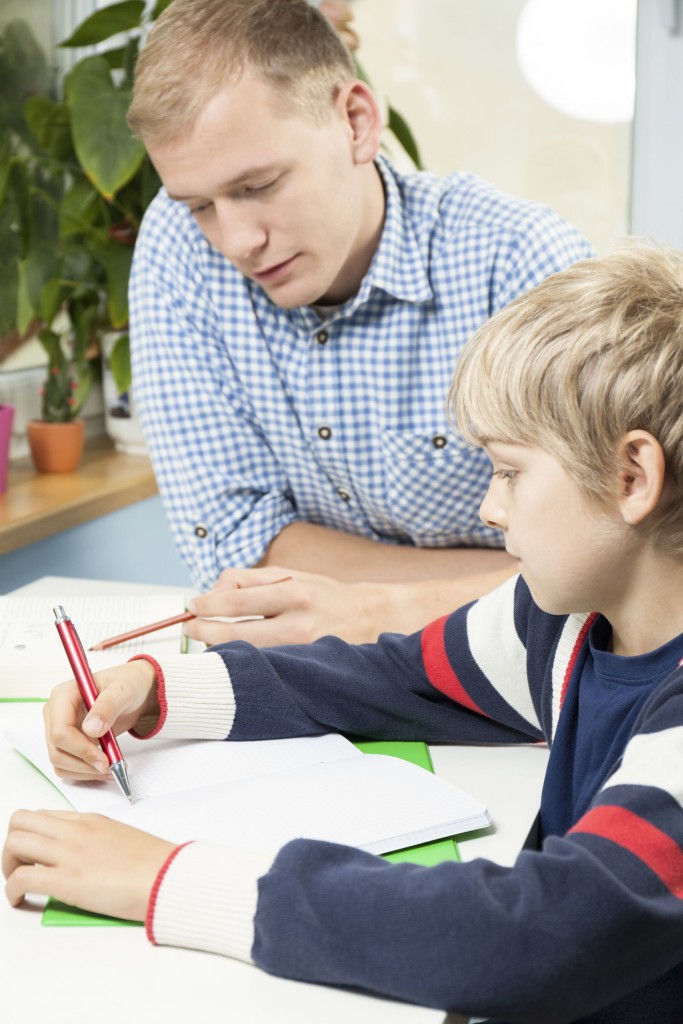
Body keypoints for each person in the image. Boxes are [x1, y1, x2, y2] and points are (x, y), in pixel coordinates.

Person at [6, 241, 683, 1022]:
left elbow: (532, 935)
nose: (488, 509)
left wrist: (170, 881)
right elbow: (399, 678)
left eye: (508, 472)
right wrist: (164, 693)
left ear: (631, 478)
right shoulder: (562, 619)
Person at [125, 0, 593, 648]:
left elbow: (602, 567)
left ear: (355, 122)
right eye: (201, 203)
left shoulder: (518, 261)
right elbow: (236, 546)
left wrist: (374, 610)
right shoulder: (180, 245)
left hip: (517, 673)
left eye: (258, 185)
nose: (235, 241)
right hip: (323, 680)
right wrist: (490, 581)